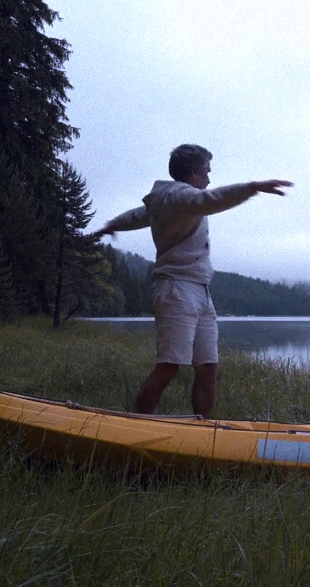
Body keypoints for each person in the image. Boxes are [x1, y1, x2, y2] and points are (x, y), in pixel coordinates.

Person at [90, 143, 292, 417]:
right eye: (206, 172)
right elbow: (212, 199)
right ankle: (137, 423)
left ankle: (204, 429)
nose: (209, 179)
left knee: (208, 367)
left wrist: (112, 225)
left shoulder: (170, 200)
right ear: (194, 173)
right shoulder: (179, 197)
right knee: (169, 366)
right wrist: (253, 187)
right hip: (176, 288)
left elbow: (138, 216)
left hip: (200, 290)